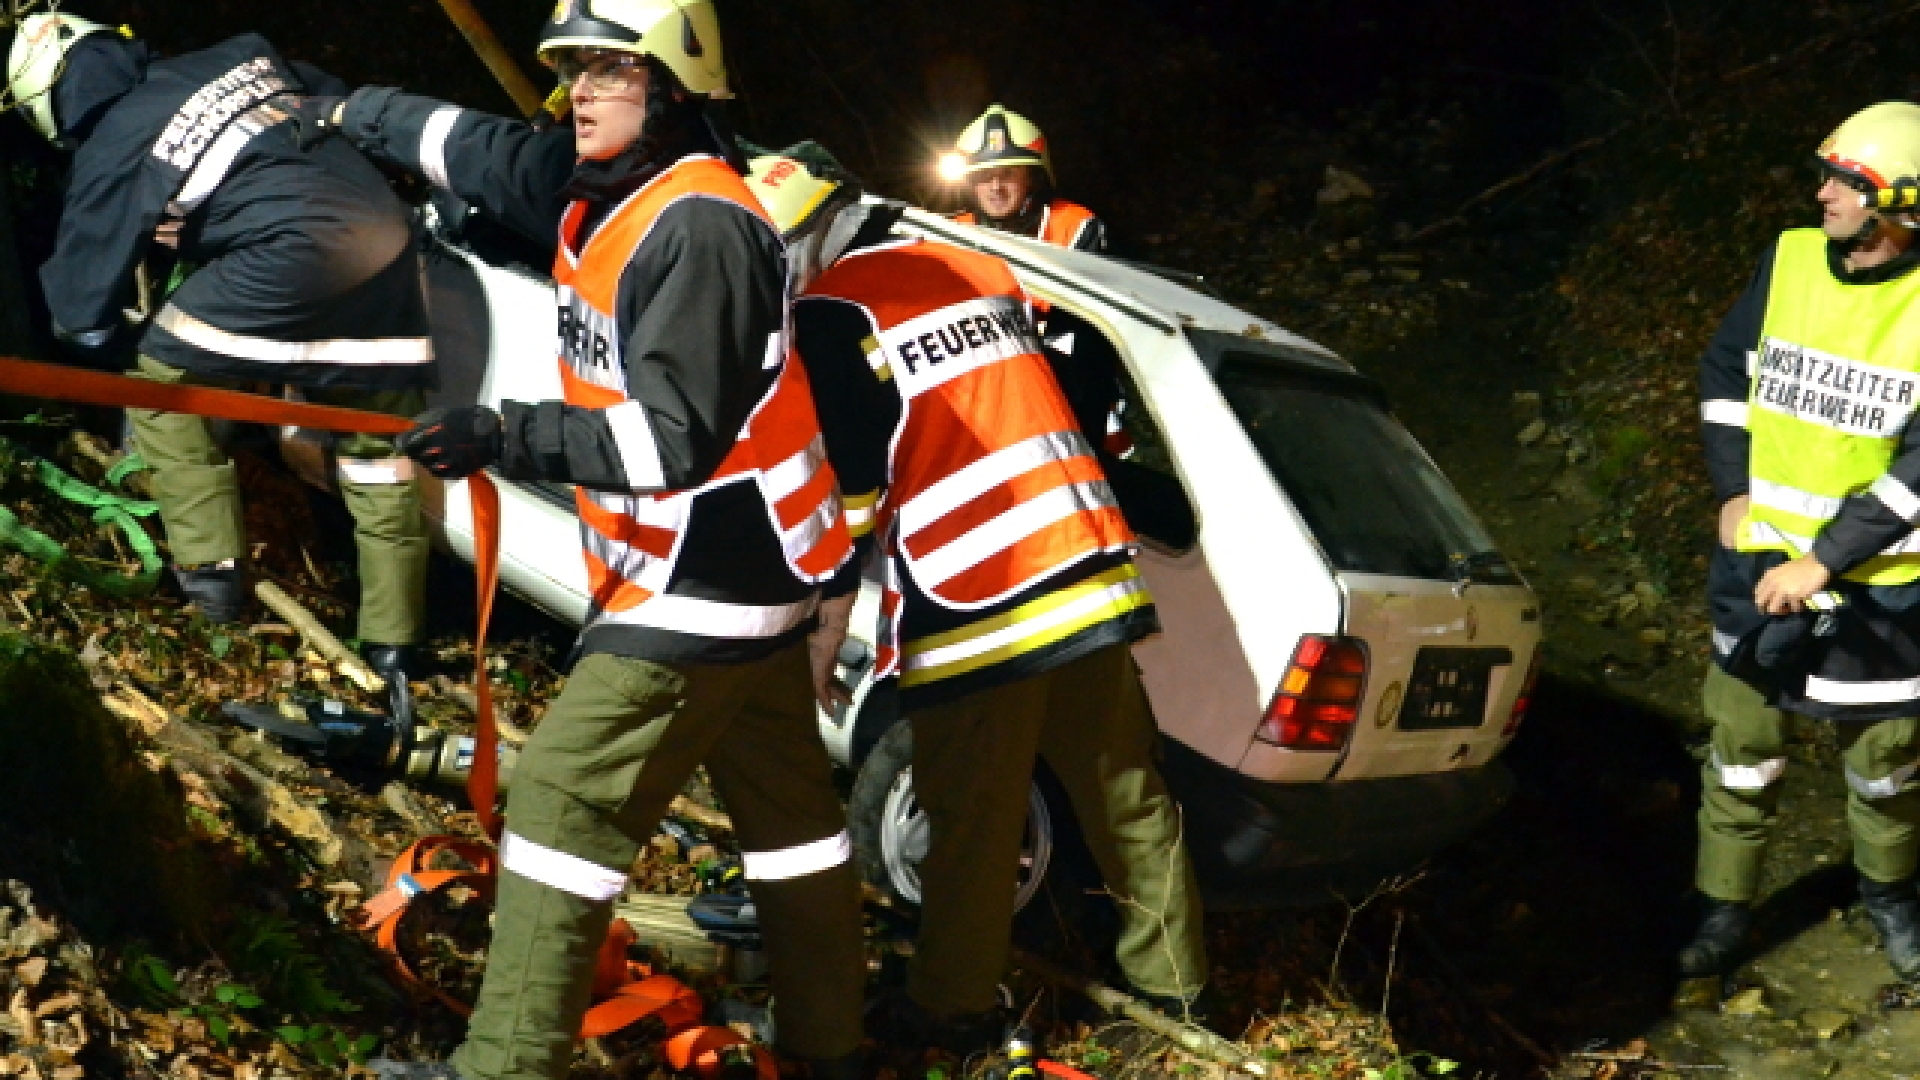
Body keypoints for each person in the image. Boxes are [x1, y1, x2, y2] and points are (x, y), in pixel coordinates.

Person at [325, 3, 868, 1076]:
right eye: (574, 67)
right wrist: (346, 112)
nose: (582, 88)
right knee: (795, 829)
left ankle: (504, 1066)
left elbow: (672, 435)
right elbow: (475, 149)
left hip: (706, 576)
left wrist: (503, 435)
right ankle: (830, 1046)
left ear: (672, 84)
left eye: (611, 68)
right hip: (749, 571)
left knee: (560, 799)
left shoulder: (701, 225)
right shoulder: (606, 186)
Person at [748, 144, 1209, 1052]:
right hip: (1085, 564)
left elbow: (851, 495)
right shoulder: (972, 264)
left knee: (970, 815)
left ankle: (949, 1006)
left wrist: (820, 631)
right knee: (1127, 794)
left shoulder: (834, 311)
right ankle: (1180, 996)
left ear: (809, 235)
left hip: (980, 591)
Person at [5, 12, 435, 690]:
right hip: (389, 245)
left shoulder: (113, 142)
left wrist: (118, 336)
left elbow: (76, 311)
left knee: (159, 380)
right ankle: (395, 644)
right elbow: (351, 108)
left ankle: (211, 583)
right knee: (376, 450)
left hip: (293, 256)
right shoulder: (243, 52)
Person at [1687, 100, 1920, 984]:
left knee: (1887, 769)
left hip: (1885, 588)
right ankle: (1722, 910)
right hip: (1758, 567)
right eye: (1826, 177)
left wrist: (1825, 558)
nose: (1823, 194)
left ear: (1901, 205)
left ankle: (1891, 898)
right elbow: (1724, 371)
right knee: (1741, 752)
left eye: (1846, 183)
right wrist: (1732, 489)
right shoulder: (1787, 259)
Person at [950, 104, 1105, 252]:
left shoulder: (1075, 227)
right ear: (971, 183)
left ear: (1032, 178)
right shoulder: (952, 232)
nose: (996, 187)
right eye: (984, 175)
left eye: (1008, 173)